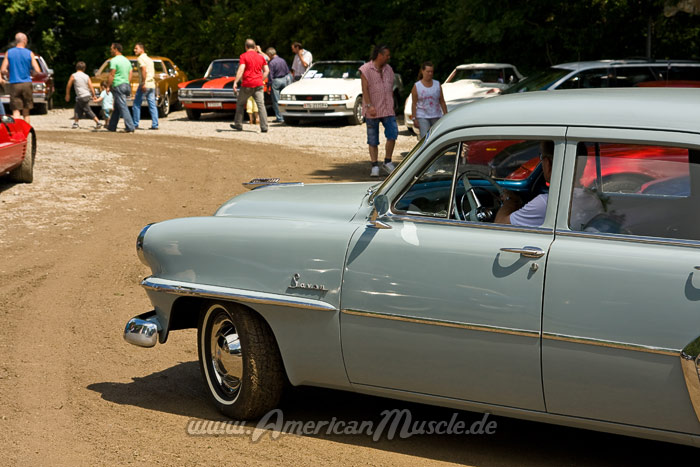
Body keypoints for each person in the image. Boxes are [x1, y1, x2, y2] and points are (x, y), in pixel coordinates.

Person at [359, 45, 398, 177]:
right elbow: (365, 89)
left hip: (388, 109)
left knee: (393, 134)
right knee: (373, 139)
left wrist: (392, 103)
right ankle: (374, 165)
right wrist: (369, 105)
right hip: (373, 110)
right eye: (387, 55)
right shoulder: (365, 69)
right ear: (380, 55)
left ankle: (387, 161)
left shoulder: (389, 69)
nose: (389, 57)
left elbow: (390, 88)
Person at [495, 141, 554, 226]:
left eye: (541, 157)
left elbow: (499, 225)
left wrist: (510, 200)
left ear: (548, 163)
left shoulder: (546, 204)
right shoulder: (574, 197)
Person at [230, 39, 269, 133]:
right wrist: (261, 79)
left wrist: (235, 82)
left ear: (246, 47)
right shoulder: (261, 57)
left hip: (247, 84)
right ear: (255, 47)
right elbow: (267, 70)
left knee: (240, 104)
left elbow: (241, 69)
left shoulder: (243, 56)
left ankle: (238, 125)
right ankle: (264, 127)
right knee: (261, 106)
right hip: (259, 85)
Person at [1, 32, 41, 124]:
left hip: (14, 83)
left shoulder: (9, 52)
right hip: (27, 83)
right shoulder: (29, 53)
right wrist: (33, 74)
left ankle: (17, 130)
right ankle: (26, 131)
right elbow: (38, 70)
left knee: (16, 110)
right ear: (25, 40)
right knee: (26, 112)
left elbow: (3, 69)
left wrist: (8, 73)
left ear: (16, 41)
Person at [410, 61, 447, 139]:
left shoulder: (437, 84)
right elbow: (414, 103)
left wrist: (446, 114)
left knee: (437, 137)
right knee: (425, 138)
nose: (430, 74)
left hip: (436, 115)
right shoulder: (417, 86)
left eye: (431, 72)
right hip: (422, 116)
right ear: (422, 71)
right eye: (428, 71)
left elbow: (442, 101)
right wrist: (414, 118)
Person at [106, 42, 135, 133]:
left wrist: (108, 86)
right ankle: (112, 126)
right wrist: (127, 82)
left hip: (118, 85)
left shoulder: (114, 60)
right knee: (118, 106)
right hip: (126, 84)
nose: (110, 50)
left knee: (122, 106)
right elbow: (130, 73)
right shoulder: (126, 60)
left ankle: (130, 127)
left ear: (116, 49)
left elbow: (112, 74)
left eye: (111, 48)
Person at [65, 61, 101, 129]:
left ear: (76, 67)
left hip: (81, 96)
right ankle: (76, 123)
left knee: (87, 110)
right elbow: (91, 86)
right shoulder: (86, 76)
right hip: (86, 95)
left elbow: (68, 85)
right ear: (84, 68)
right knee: (77, 108)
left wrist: (67, 94)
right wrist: (94, 95)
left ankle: (98, 122)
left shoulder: (74, 75)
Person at [132, 42, 158, 130]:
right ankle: (155, 124)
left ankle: (135, 124)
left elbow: (143, 69)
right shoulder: (150, 59)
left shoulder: (140, 59)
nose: (134, 50)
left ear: (142, 49)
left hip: (145, 84)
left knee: (136, 104)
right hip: (151, 84)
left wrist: (143, 83)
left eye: (136, 48)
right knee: (152, 105)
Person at [266, 47, 291, 122]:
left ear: (270, 54)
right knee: (283, 99)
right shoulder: (282, 60)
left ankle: (280, 117)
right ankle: (286, 115)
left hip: (276, 81)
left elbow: (270, 75)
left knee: (276, 100)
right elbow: (287, 71)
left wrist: (268, 86)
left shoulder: (271, 63)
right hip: (284, 79)